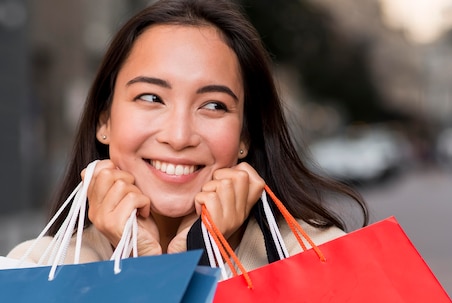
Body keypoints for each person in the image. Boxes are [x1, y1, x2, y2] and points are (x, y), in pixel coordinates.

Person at [8, 0, 368, 272]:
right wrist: (144, 271)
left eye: (213, 105)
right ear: (104, 120)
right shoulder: (35, 272)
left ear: (245, 136)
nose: (179, 136)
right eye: (151, 98)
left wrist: (208, 263)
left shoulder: (321, 261)